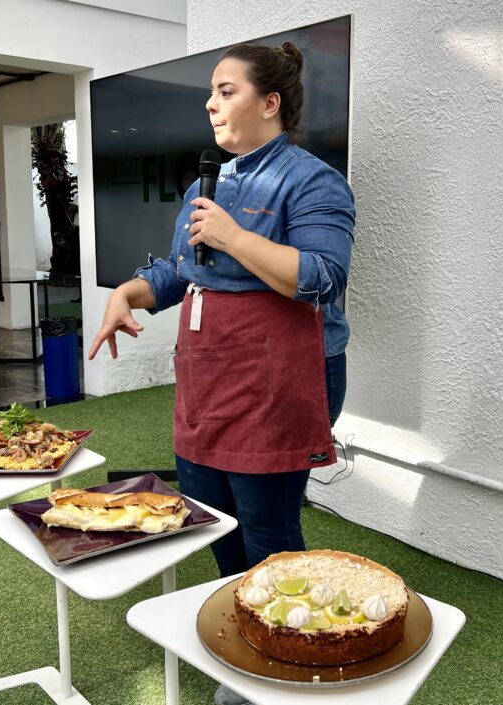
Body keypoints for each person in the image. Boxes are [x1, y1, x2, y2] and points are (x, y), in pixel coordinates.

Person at [90, 41, 354, 575]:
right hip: (207, 377)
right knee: (213, 517)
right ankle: (238, 614)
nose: (210, 104)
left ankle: (284, 644)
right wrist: (125, 294)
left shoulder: (311, 180)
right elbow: (179, 271)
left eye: (225, 91)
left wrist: (233, 237)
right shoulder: (206, 187)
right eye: (211, 92)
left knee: (267, 527)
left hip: (281, 380)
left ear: (269, 103)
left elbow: (323, 278)